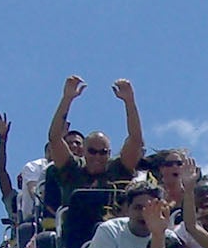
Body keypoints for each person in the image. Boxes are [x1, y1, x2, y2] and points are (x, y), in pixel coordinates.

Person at [45, 76, 145, 205]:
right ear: (84, 151)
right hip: (76, 223)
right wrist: (67, 98)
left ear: (109, 153)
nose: (97, 156)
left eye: (102, 152)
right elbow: (55, 138)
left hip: (112, 223)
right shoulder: (73, 168)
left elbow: (136, 140)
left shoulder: (118, 168)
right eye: (92, 151)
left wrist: (129, 102)